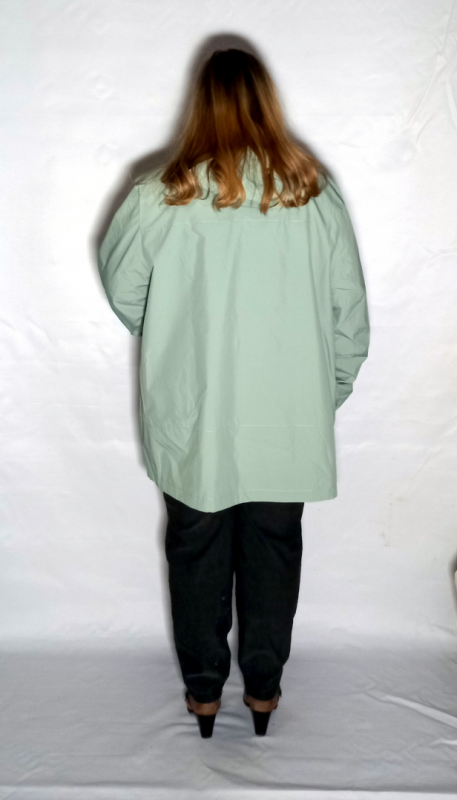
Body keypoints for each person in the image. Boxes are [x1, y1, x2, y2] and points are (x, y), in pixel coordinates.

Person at [97, 47, 370, 738]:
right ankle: (264, 693)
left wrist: (176, 342)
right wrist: (320, 395)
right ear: (267, 103)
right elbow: (350, 316)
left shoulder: (160, 196)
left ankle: (202, 695)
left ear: (200, 106)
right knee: (274, 550)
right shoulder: (314, 195)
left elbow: (124, 291)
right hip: (286, 415)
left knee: (196, 551)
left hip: (197, 417)